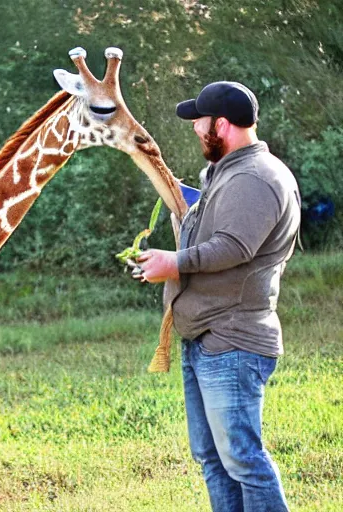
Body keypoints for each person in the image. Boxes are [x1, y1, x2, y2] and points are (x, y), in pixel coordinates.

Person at [135, 81, 300, 512]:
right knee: (212, 459)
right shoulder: (227, 170)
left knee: (243, 460)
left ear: (221, 125)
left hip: (233, 341)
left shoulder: (256, 178)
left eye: (200, 121)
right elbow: (211, 218)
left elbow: (233, 246)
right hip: (207, 340)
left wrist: (173, 263)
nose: (194, 128)